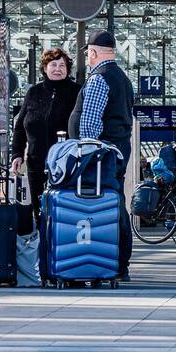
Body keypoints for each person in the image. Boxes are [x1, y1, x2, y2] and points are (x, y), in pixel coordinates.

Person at [69, 29, 135, 278]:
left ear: (93, 52)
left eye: (88, 54)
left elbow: (90, 125)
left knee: (106, 205)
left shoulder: (99, 78)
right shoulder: (122, 78)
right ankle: (119, 261)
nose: (88, 58)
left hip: (100, 157)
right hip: (116, 151)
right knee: (115, 202)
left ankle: (110, 261)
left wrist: (84, 156)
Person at [11, 47, 82, 220]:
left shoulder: (76, 92)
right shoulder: (33, 92)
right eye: (53, 64)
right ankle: (43, 243)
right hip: (36, 163)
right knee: (39, 208)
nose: (58, 69)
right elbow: (20, 126)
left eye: (62, 65)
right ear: (44, 68)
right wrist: (17, 154)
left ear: (68, 70)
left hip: (66, 164)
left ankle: (60, 243)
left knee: (64, 207)